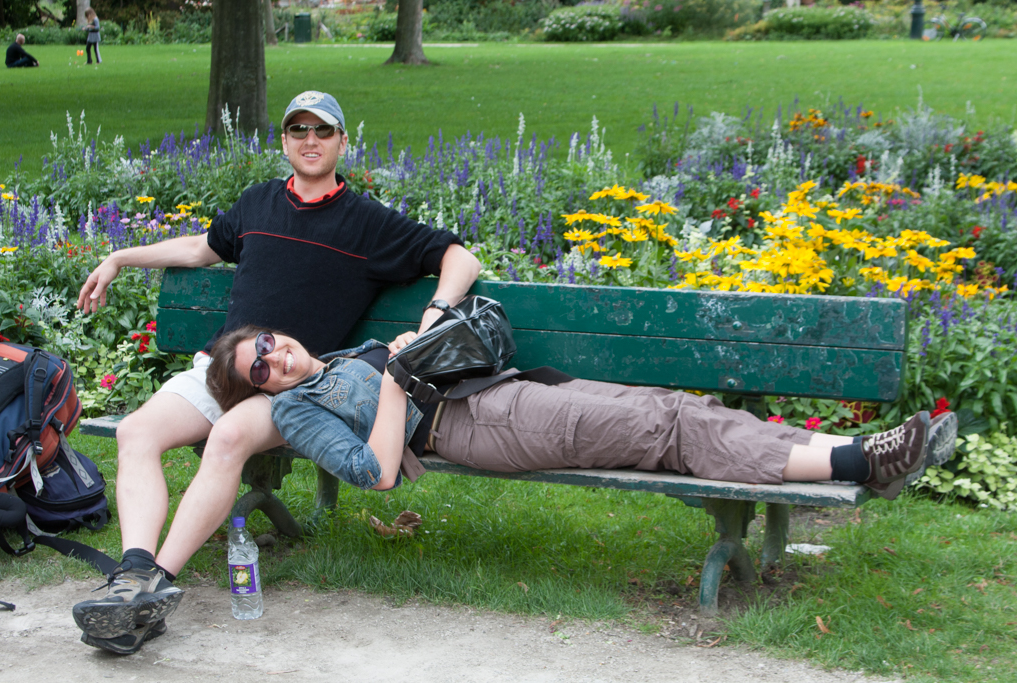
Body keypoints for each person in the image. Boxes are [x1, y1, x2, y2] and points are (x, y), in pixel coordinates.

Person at [69, 90, 481, 655]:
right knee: (135, 433)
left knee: (230, 435)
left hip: (294, 386)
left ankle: (155, 586)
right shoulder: (258, 201)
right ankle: (132, 575)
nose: (309, 141)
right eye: (298, 131)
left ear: (342, 141)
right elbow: (201, 248)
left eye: (322, 131)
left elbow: (461, 257)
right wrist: (117, 258)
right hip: (223, 369)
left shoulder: (367, 223)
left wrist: (435, 314)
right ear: (284, 141)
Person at [206, 326, 959, 503]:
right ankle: (862, 464)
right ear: (261, 391)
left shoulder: (345, 354)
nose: (273, 357)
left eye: (267, 342)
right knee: (665, 433)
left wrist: (414, 345)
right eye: (259, 368)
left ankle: (857, 446)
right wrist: (399, 382)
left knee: (674, 408)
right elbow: (374, 476)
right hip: (474, 428)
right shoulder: (301, 412)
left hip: (503, 389)